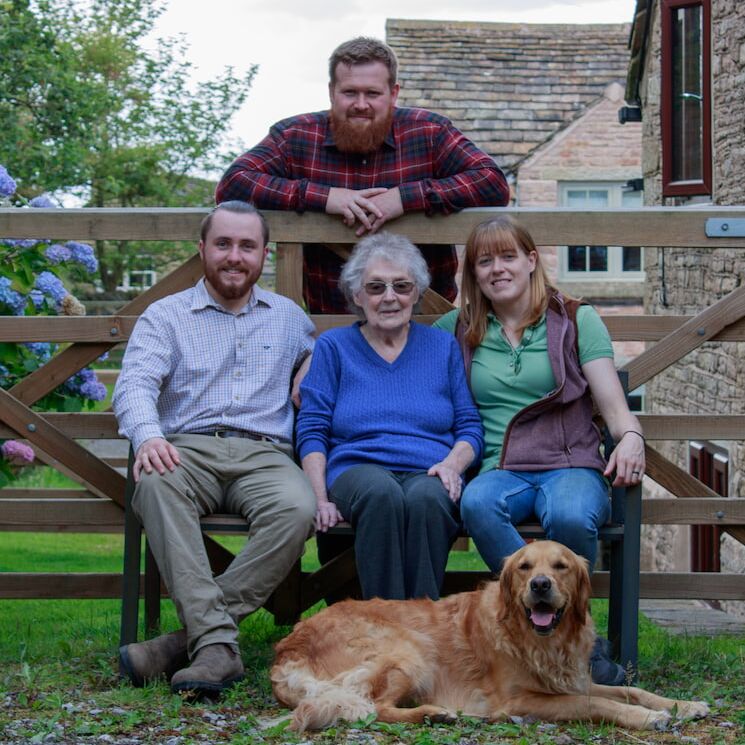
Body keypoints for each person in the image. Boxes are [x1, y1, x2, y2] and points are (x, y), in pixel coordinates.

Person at [113, 201, 316, 698]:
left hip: (265, 453)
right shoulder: (167, 315)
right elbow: (134, 384)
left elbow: (322, 363)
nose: (234, 256)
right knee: (154, 484)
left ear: (264, 255)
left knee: (299, 508)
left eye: (247, 246)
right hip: (186, 449)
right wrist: (149, 435)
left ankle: (186, 643)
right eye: (223, 244)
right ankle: (217, 645)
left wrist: (315, 366)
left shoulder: (290, 318)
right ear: (202, 249)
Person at [434, 215, 645, 685]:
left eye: (508, 257)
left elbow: (612, 401)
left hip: (569, 463)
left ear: (531, 261)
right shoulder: (457, 325)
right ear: (472, 273)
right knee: (478, 504)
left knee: (571, 514)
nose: (497, 269)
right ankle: (529, 620)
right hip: (499, 466)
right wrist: (313, 363)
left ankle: (579, 638)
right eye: (484, 261)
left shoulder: (575, 318)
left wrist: (630, 435)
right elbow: (399, 350)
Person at [215, 36, 509, 313]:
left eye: (372, 93)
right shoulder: (295, 136)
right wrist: (325, 197)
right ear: (332, 92)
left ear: (393, 94)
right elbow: (233, 185)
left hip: (425, 319)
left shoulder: (429, 131)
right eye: (349, 92)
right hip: (329, 322)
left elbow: (492, 183)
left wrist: (405, 198)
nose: (360, 104)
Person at [295, 232, 483, 600]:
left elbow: (469, 426)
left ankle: (421, 628)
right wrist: (320, 498)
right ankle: (386, 628)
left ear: (416, 292)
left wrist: (452, 466)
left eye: (401, 285)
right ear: (357, 296)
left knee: (428, 499)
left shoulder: (441, 345)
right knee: (382, 494)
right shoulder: (334, 346)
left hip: (428, 468)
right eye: (376, 287)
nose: (390, 297)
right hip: (356, 469)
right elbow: (312, 429)